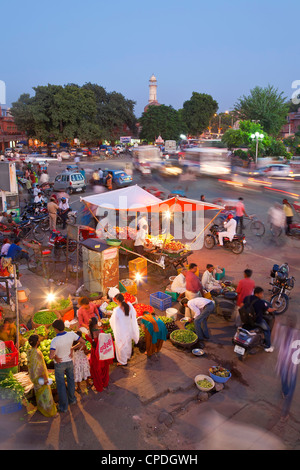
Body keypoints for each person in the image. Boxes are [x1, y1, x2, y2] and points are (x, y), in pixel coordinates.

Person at [49, 319, 86, 413]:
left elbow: (50, 356)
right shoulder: (71, 334)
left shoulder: (54, 340)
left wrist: (56, 357)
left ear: (56, 329)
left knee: (61, 385)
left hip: (59, 364)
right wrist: (72, 348)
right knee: (70, 381)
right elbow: (83, 342)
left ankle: (63, 407)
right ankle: (72, 400)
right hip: (69, 362)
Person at [273, 314, 299, 421]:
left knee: (290, 391)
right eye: (289, 320)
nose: (290, 322)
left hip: (291, 366)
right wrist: (275, 324)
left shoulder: (292, 332)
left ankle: (284, 414)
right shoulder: (284, 330)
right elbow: (274, 336)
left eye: (291, 320)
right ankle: (285, 391)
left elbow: (274, 337)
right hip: (286, 364)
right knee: (286, 384)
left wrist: (276, 324)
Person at [27, 334, 57, 417]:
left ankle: (40, 408)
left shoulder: (29, 351)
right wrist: (45, 378)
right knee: (46, 395)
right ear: (37, 342)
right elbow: (41, 367)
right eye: (39, 340)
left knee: (38, 393)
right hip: (41, 377)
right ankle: (50, 412)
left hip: (34, 377)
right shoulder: (38, 352)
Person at [109, 293, 139, 366]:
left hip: (121, 330)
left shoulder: (117, 310)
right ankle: (127, 356)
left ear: (117, 301)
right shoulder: (129, 306)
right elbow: (133, 315)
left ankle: (123, 361)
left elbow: (112, 321)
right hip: (128, 328)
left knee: (121, 345)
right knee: (127, 343)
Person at [242, 287, 275, 352]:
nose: (262, 295)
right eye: (262, 293)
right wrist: (275, 309)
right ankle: (268, 346)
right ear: (258, 294)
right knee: (267, 330)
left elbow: (242, 306)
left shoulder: (247, 298)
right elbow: (269, 310)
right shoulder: (261, 302)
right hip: (257, 321)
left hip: (246, 319)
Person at [85, 317, 114, 392]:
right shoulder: (101, 331)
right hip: (102, 353)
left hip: (95, 354)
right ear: (97, 323)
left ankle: (99, 386)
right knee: (104, 369)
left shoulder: (87, 335)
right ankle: (105, 383)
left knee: (96, 371)